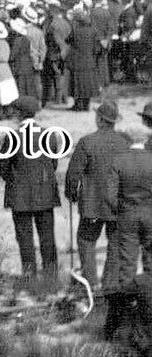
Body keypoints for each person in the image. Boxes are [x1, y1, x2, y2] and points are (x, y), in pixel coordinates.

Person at [0, 96, 62, 284]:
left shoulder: (13, 136)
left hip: (20, 196)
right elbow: (53, 164)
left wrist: (15, 180)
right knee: (47, 237)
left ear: (19, 113)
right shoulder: (48, 135)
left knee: (24, 238)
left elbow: (2, 166)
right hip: (45, 194)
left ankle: (29, 275)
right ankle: (51, 275)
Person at [65, 100, 130, 289]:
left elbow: (73, 173)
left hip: (92, 203)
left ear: (100, 120)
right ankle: (109, 285)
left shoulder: (87, 142)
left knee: (86, 240)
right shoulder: (124, 142)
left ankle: (90, 283)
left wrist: (71, 194)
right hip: (118, 203)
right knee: (116, 242)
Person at [102, 102, 152, 342]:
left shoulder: (119, 161)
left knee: (127, 263)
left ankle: (126, 312)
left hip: (128, 216)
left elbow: (110, 196)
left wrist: (121, 210)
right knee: (151, 260)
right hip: (151, 215)